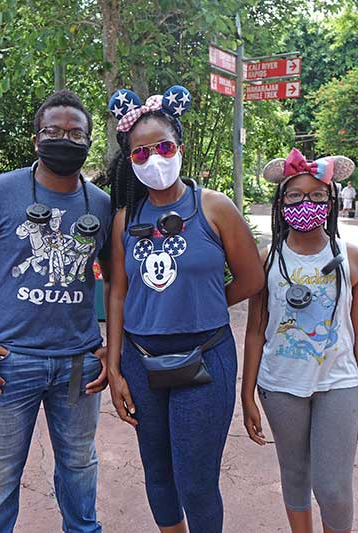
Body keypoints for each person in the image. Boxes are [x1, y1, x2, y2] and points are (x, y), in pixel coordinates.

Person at [0, 89, 112, 533]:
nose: (64, 139)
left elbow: (117, 279)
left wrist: (113, 345)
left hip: (79, 361)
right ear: (36, 140)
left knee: (79, 465)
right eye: (53, 131)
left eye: (75, 133)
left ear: (89, 141)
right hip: (7, 362)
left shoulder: (103, 205)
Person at [105, 86, 264, 533]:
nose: (154, 159)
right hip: (141, 361)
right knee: (158, 474)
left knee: (196, 482)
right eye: (140, 154)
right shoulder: (125, 219)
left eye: (163, 147)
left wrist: (206, 304)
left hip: (206, 358)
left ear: (180, 147)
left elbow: (251, 280)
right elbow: (117, 291)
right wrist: (115, 366)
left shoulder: (215, 208)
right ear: (130, 161)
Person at [242, 148, 358, 533]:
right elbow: (255, 329)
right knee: (295, 475)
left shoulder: (352, 258)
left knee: (333, 489)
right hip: (280, 384)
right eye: (295, 195)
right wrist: (246, 393)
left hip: (338, 383)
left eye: (317, 195)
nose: (307, 203)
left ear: (332, 201)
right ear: (281, 202)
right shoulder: (268, 259)